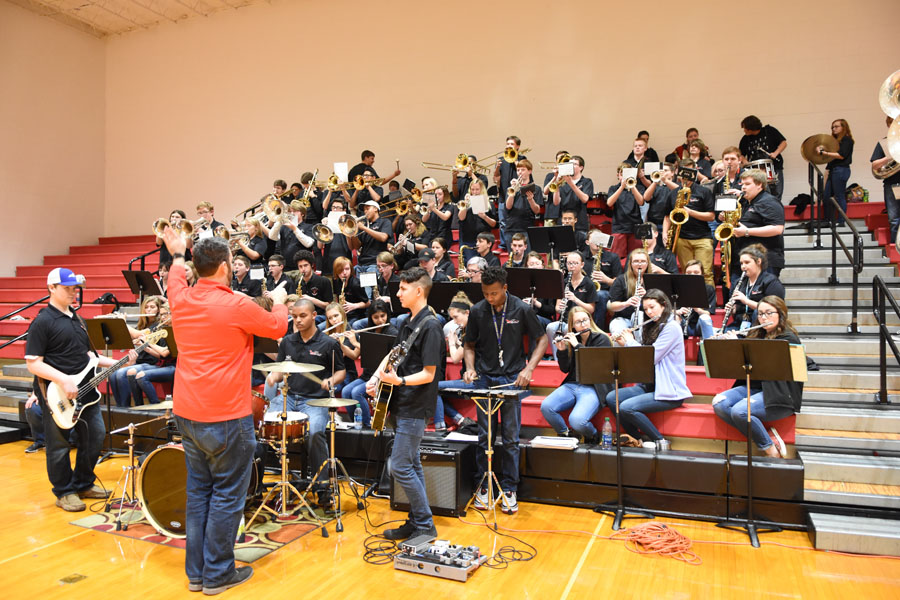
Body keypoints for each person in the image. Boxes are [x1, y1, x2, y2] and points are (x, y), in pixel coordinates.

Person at [158, 228, 288, 594]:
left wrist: (177, 252)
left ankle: (197, 574)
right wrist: (278, 299)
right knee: (228, 496)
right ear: (227, 267)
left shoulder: (180, 299)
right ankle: (217, 574)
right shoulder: (235, 304)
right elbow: (277, 327)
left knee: (198, 493)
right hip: (226, 416)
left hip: (187, 411)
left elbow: (173, 277)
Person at [24, 268, 137, 512]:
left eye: (75, 287)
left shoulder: (77, 319)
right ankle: (64, 492)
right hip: (56, 392)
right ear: (51, 288)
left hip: (85, 390)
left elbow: (89, 357)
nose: (73, 292)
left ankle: (83, 483)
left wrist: (122, 361)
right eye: (67, 288)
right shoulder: (42, 322)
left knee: (96, 434)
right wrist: (64, 380)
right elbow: (33, 362)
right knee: (59, 444)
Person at [366, 268, 444, 541]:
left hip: (416, 405)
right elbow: (393, 353)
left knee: (399, 466)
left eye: (402, 289)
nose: (397, 293)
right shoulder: (407, 322)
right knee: (411, 464)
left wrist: (397, 381)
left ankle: (425, 525)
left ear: (418, 291)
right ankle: (416, 521)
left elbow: (429, 374)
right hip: (400, 403)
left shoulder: (432, 326)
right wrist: (377, 377)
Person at [463, 266, 548, 514]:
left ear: (505, 289)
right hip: (484, 379)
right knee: (484, 437)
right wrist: (469, 368)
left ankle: (509, 487)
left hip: (512, 379)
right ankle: (484, 483)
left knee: (510, 438)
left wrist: (529, 369)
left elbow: (542, 339)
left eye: (494, 294)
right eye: (486, 293)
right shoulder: (478, 311)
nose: (490, 298)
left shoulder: (521, 309)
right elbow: (469, 344)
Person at [267, 299, 345, 504]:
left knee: (315, 433)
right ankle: (273, 481)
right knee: (266, 426)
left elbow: (341, 371)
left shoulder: (329, 343)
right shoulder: (287, 342)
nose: (298, 320)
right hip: (290, 397)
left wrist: (331, 380)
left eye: (303, 316)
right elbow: (279, 367)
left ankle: (322, 488)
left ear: (313, 316)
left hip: (315, 401)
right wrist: (273, 376)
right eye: (294, 317)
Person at [712, 296, 803, 458]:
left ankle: (770, 450)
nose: (764, 318)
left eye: (769, 313)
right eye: (760, 314)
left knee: (740, 412)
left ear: (781, 314)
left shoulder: (788, 339)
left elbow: (765, 364)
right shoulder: (757, 334)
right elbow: (743, 366)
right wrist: (730, 345)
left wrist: (738, 344)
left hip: (780, 395)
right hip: (755, 388)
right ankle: (766, 437)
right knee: (719, 403)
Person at [607, 289, 691, 448]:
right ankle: (637, 439)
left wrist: (630, 341)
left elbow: (651, 357)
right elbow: (639, 357)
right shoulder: (651, 326)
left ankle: (660, 440)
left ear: (664, 305)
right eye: (645, 309)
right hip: (649, 386)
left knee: (626, 407)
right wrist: (623, 342)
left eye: (652, 307)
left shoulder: (672, 327)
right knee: (613, 397)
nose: (649, 312)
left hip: (669, 390)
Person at [540, 307, 612, 442]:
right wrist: (561, 351)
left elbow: (595, 365)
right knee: (546, 407)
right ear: (572, 326)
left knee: (577, 421)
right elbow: (565, 369)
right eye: (578, 322)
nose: (583, 324)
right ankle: (566, 434)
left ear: (590, 320)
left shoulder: (602, 339)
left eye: (585, 320)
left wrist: (577, 346)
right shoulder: (572, 341)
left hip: (593, 387)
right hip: (572, 385)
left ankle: (593, 435)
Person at [341, 299, 397, 427]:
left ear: (387, 314)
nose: (380, 320)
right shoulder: (369, 330)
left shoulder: (392, 333)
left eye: (383, 316)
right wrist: (342, 343)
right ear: (371, 317)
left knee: (357, 392)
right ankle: (356, 422)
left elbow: (383, 356)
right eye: (376, 317)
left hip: (381, 377)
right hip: (367, 375)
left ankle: (366, 426)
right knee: (345, 392)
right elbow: (356, 355)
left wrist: (355, 342)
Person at [662, 161, 715, 285]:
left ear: (695, 173)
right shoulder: (673, 193)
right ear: (679, 173)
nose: (686, 177)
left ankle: (708, 304)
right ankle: (690, 302)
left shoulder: (704, 191)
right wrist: (665, 233)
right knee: (687, 274)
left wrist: (690, 212)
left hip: (702, 238)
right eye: (683, 173)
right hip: (681, 238)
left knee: (705, 274)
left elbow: (711, 216)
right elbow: (667, 216)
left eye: (689, 172)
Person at [730, 169, 786, 277]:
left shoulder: (769, 201)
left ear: (759, 185)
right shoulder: (745, 202)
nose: (743, 187)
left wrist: (746, 231)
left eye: (747, 184)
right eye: (742, 184)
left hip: (765, 260)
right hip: (745, 257)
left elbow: (777, 228)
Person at [723, 244, 786, 331]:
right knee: (724, 337)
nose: (743, 267)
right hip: (741, 323)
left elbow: (775, 309)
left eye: (747, 262)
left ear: (758, 261)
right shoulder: (738, 282)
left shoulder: (771, 281)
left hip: (762, 325)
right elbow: (738, 308)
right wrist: (733, 309)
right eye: (741, 263)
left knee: (757, 312)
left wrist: (746, 301)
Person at [739, 115, 787, 200]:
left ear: (751, 128)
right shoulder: (745, 139)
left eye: (745, 128)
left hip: (774, 167)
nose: (744, 130)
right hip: (757, 171)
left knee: (777, 193)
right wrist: (745, 161)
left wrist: (775, 153)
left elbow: (783, 143)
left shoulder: (769, 131)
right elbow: (740, 154)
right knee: (761, 193)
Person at [493, 135, 526, 250]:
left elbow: (525, 176)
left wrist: (517, 162)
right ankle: (504, 245)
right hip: (503, 195)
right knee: (502, 222)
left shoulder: (522, 158)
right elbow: (495, 179)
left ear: (517, 146)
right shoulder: (501, 160)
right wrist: (497, 168)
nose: (509, 146)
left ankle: (517, 245)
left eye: (511, 144)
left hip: (518, 197)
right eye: (507, 144)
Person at [607, 248, 649, 337]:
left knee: (640, 317)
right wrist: (626, 303)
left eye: (643, 261)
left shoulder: (654, 280)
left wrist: (647, 296)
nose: (639, 264)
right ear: (631, 264)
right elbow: (612, 306)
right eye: (636, 261)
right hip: (622, 318)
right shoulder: (621, 280)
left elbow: (661, 304)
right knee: (617, 334)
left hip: (646, 318)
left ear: (648, 263)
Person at [606, 162, 645, 258]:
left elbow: (641, 202)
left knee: (636, 256)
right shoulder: (613, 188)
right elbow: (609, 203)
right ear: (618, 175)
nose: (624, 176)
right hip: (619, 226)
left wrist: (632, 187)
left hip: (636, 226)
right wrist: (622, 186)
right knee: (617, 257)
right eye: (622, 174)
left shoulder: (638, 187)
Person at [821, 119, 855, 226]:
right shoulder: (835, 141)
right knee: (826, 196)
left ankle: (841, 221)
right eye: (832, 127)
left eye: (836, 126)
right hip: (834, 170)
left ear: (843, 127)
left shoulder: (847, 140)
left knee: (839, 196)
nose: (834, 129)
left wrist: (825, 153)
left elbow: (841, 155)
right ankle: (828, 220)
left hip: (841, 169)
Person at [504, 159, 543, 252]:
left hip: (527, 228)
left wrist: (531, 199)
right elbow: (508, 206)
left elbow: (537, 210)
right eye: (518, 170)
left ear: (529, 171)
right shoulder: (512, 188)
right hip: (511, 227)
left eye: (522, 169)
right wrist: (512, 192)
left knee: (526, 258)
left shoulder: (536, 188)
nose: (520, 172)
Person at [457, 178, 498, 267]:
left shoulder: (489, 204)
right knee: (471, 264)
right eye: (472, 190)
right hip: (469, 240)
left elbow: (494, 224)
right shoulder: (465, 203)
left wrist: (484, 217)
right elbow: (461, 218)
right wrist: (465, 205)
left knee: (482, 265)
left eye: (477, 190)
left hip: (483, 240)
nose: (474, 192)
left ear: (482, 190)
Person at [872, 116, 900, 243]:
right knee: (894, 219)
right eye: (893, 123)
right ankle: (895, 248)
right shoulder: (883, 143)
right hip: (892, 184)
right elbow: (875, 165)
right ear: (889, 125)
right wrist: (890, 156)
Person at [676, 260, 716, 340]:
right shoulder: (678, 289)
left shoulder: (708, 289)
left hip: (699, 325)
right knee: (673, 317)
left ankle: (709, 349)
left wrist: (697, 309)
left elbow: (707, 313)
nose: (692, 275)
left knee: (705, 318)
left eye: (696, 272)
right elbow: (668, 310)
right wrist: (678, 311)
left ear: (702, 275)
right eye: (689, 273)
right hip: (682, 323)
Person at [295, 249, 334, 324]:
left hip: (321, 316)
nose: (303, 269)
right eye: (300, 266)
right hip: (304, 315)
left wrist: (311, 299)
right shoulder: (298, 283)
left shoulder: (324, 281)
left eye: (305, 265)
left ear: (312, 265)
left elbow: (329, 306)